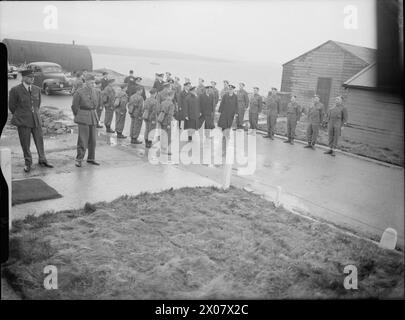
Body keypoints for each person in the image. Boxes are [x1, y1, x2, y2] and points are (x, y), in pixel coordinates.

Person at [8, 69, 54, 172]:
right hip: (23, 121)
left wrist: (34, 114)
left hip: (36, 119)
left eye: (33, 77)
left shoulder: (36, 89)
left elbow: (38, 104)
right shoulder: (15, 90)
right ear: (23, 78)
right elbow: (12, 106)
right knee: (25, 143)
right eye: (29, 77)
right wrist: (22, 114)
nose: (32, 79)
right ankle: (28, 163)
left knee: (40, 140)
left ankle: (42, 160)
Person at [71, 74, 100, 167]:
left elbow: (96, 104)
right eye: (91, 82)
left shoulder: (95, 91)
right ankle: (79, 159)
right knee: (83, 140)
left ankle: (91, 158)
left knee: (93, 140)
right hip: (83, 117)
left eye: (93, 82)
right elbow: (74, 107)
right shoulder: (79, 92)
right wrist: (79, 115)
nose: (93, 84)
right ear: (86, 82)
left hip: (93, 116)